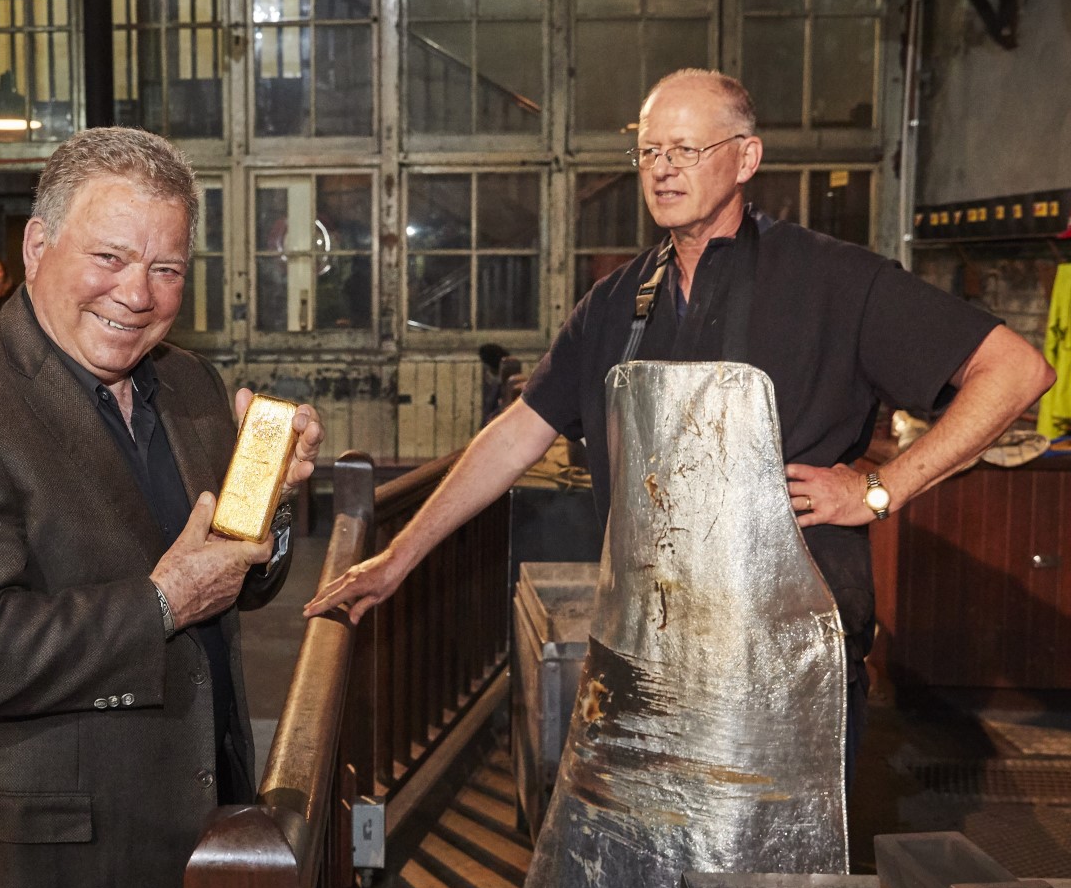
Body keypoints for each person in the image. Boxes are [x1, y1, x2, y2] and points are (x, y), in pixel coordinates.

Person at [305, 68, 1053, 773]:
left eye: (686, 150)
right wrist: (398, 557)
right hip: (650, 659)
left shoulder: (834, 279)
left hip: (788, 666)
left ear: (746, 157)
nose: (662, 169)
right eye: (649, 152)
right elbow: (516, 434)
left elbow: (1015, 371)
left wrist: (878, 491)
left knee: (777, 869)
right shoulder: (615, 304)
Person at [0, 126, 325, 888]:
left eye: (166, 268)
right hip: (32, 878)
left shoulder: (190, 384)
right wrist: (161, 602)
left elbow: (235, 577)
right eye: (109, 257)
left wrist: (275, 504)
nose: (138, 294)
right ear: (37, 247)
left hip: (195, 830)